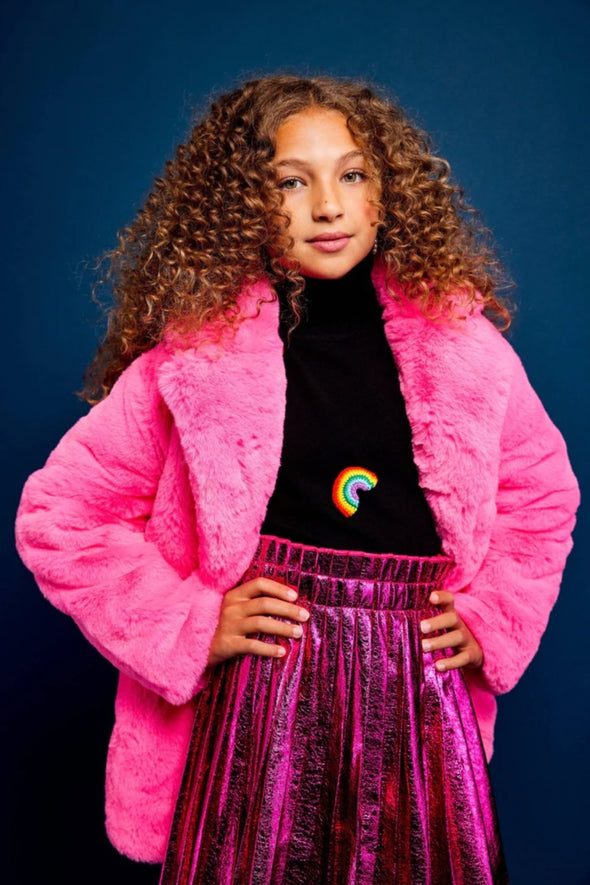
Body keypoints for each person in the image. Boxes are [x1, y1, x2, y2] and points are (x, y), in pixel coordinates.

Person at [15, 74, 579, 884]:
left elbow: (541, 494)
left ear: (386, 192)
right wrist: (188, 623)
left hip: (417, 688)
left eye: (351, 173)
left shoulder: (466, 349)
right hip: (263, 691)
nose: (327, 205)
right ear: (245, 203)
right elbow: (62, 515)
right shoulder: (198, 357)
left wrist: (493, 616)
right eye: (291, 181)